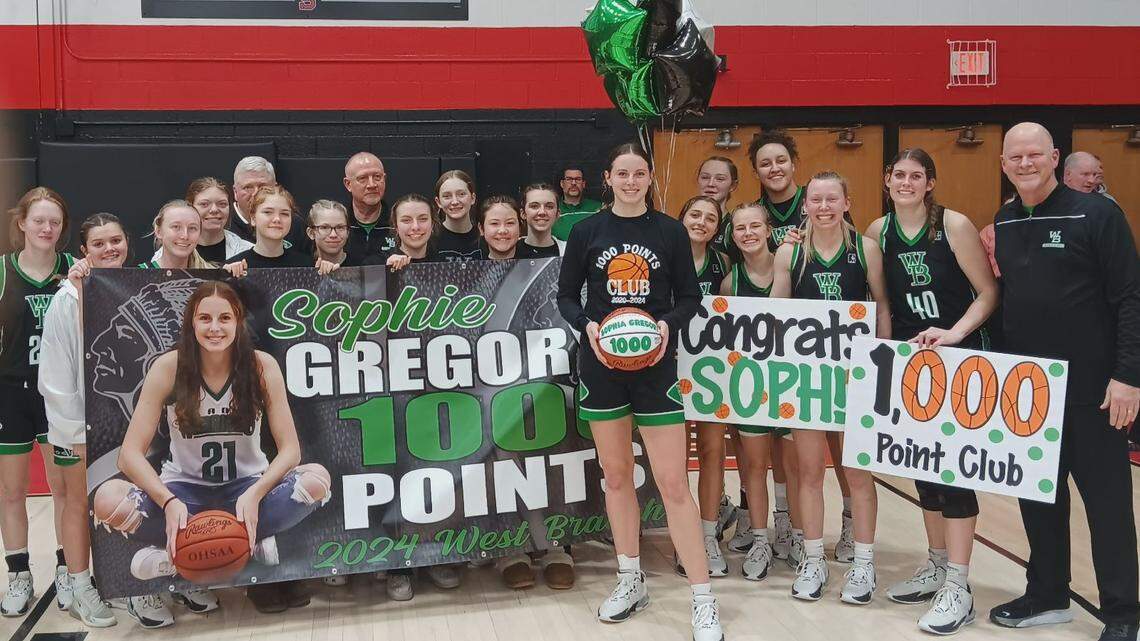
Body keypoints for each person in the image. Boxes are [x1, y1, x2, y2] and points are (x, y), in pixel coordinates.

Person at [557, 142, 722, 641]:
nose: (631, 181)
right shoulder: (586, 231)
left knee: (673, 483)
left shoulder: (670, 231)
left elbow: (690, 297)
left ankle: (703, 598)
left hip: (655, 367)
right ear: (608, 178)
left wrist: (666, 325)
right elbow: (565, 296)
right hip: (602, 364)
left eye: (640, 173)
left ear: (650, 178)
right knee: (616, 476)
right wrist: (587, 325)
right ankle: (630, 578)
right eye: (623, 173)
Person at [91, 281, 332, 615]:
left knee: (316, 480)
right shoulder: (169, 367)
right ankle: (238, 545)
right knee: (106, 498)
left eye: (225, 318)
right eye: (205, 318)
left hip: (246, 490)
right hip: (185, 494)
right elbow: (129, 455)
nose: (215, 328)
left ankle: (183, 552)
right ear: (191, 323)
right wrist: (168, 501)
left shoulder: (261, 366)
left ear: (238, 322)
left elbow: (291, 450)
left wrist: (256, 493)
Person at [988, 122, 1139, 641]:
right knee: (1038, 499)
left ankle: (1123, 613)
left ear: (1055, 157)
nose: (1025, 164)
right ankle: (1048, 594)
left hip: (1096, 393)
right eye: (1015, 157)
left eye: (1034, 154)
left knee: (1108, 507)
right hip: (1032, 390)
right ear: (1003, 164)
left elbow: (1130, 297)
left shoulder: (1098, 214)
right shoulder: (1006, 220)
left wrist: (1127, 376)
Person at [866, 149, 998, 635]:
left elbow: (989, 292)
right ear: (887, 180)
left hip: (958, 358)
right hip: (911, 363)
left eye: (916, 175)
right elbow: (881, 301)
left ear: (930, 182)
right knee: (925, 470)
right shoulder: (878, 232)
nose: (906, 182)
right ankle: (938, 566)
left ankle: (959, 585)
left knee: (955, 472)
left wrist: (955, 332)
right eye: (898, 174)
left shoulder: (954, 225)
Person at [771, 171, 891, 605]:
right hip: (809, 376)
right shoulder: (790, 252)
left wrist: (881, 366)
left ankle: (864, 562)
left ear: (846, 203)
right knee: (809, 471)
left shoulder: (866, 248)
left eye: (831, 199)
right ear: (805, 206)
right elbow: (777, 313)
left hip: (855, 375)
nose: (823, 207)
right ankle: (812, 558)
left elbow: (882, 308)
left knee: (857, 472)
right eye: (816, 200)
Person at [38, 214, 126, 628]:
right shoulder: (66, 298)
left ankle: (122, 581)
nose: (110, 249)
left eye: (116, 240)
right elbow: (55, 375)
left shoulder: (127, 288)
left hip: (120, 422)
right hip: (77, 424)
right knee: (78, 501)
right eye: (99, 243)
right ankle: (78, 585)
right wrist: (74, 430)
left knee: (120, 500)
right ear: (83, 251)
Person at [0, 188, 73, 618]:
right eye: (39, 220)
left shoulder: (74, 269)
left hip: (58, 394)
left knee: (64, 488)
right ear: (22, 223)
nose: (47, 228)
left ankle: (67, 568)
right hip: (11, 392)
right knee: (12, 491)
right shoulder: (3, 271)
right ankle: (19, 575)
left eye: (55, 222)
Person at [719, 201, 798, 584]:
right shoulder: (730, 282)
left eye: (755, 226)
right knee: (753, 466)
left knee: (790, 466)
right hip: (751, 385)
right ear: (733, 235)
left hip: (790, 381)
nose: (748, 233)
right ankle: (760, 539)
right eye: (740, 228)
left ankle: (789, 528)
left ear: (769, 230)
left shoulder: (795, 267)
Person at [676, 196, 733, 577]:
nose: (701, 222)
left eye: (710, 218)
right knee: (678, 457)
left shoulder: (723, 263)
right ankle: (683, 540)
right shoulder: (664, 255)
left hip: (712, 368)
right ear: (682, 218)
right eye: (694, 214)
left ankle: (708, 534)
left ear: (717, 227)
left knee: (713, 452)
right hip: (672, 365)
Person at [225, 186, 339, 274]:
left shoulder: (308, 266)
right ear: (253, 218)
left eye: (284, 214)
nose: (277, 219)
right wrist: (225, 276)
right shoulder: (235, 267)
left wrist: (328, 274)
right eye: (268, 212)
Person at [227, 156, 310, 253]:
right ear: (235, 192)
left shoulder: (294, 224)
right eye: (248, 187)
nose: (255, 193)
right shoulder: (223, 225)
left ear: (275, 188)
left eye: (263, 187)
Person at [178, 178, 252, 265]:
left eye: (222, 204)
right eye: (204, 204)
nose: (214, 210)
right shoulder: (172, 251)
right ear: (190, 207)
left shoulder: (248, 251)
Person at [342, 152, 396, 263]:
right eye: (362, 178)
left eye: (377, 177)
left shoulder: (398, 224)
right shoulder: (337, 226)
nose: (372, 185)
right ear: (348, 184)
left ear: (384, 179)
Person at [142, 200, 214, 270]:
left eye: (192, 228)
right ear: (158, 232)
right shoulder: (140, 274)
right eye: (176, 227)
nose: (185, 236)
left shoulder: (211, 275)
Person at [434, 170, 482, 262]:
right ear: (438, 202)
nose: (455, 201)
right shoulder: (430, 239)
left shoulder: (485, 237)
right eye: (447, 196)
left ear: (473, 198)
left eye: (461, 194)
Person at [694, 156, 740, 253]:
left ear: (733, 185)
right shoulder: (685, 224)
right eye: (705, 177)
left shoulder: (735, 228)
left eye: (720, 179)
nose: (710, 184)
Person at [552, 167, 603, 241]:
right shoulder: (553, 209)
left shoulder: (598, 207)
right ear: (562, 184)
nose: (573, 183)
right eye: (569, 179)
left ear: (583, 184)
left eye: (578, 179)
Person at [516, 183, 564, 258]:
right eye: (534, 206)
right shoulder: (510, 249)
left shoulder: (569, 250)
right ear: (523, 213)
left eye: (549, 207)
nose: (542, 212)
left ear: (557, 214)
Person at [307, 200, 358, 267]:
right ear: (311, 233)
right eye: (325, 227)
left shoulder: (362, 266)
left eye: (340, 227)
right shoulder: (300, 267)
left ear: (348, 231)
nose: (333, 235)